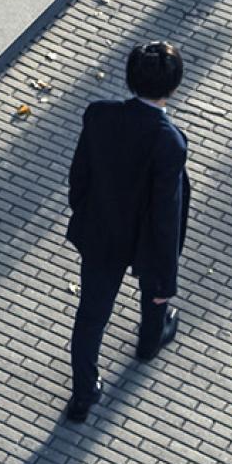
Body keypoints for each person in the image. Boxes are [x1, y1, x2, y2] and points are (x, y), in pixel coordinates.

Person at [63, 42, 190, 420]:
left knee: (91, 315)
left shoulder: (99, 115)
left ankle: (83, 394)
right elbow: (166, 215)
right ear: (174, 87)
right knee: (154, 294)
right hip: (147, 240)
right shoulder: (169, 141)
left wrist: (85, 211)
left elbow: (78, 175)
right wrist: (167, 277)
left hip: (101, 232)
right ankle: (150, 341)